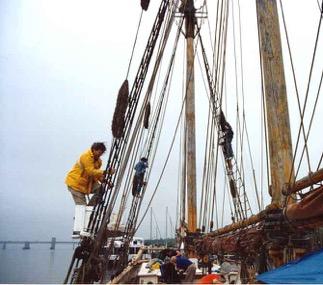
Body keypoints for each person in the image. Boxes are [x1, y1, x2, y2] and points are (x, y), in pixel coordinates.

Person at [65, 142, 115, 206]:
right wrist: (106, 171)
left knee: (101, 188)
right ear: (94, 149)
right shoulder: (86, 157)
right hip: (75, 184)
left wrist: (106, 181)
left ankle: (90, 208)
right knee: (82, 208)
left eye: (101, 154)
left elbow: (96, 174)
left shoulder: (98, 161)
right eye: (98, 154)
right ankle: (87, 211)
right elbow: (91, 172)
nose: (99, 156)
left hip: (86, 184)